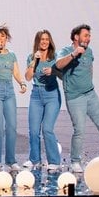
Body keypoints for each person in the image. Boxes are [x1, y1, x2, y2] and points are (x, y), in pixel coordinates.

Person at [54, 23, 99, 173]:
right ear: (76, 37)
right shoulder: (65, 51)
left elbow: (89, 68)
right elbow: (58, 65)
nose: (88, 38)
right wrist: (74, 54)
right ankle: (75, 161)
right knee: (79, 130)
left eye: (89, 36)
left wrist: (88, 84)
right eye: (86, 35)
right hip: (75, 98)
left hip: (90, 94)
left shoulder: (89, 52)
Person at [0, 25, 27, 171]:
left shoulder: (12, 55)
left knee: (12, 127)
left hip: (9, 91)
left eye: (2, 36)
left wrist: (22, 83)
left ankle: (11, 160)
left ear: (7, 38)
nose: (0, 39)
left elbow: (16, 72)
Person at [23, 29, 61, 172]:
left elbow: (62, 74)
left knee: (47, 128)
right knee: (33, 130)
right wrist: (34, 61)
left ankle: (54, 161)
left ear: (50, 41)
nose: (44, 42)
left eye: (46, 39)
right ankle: (34, 159)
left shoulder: (55, 57)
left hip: (52, 95)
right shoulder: (32, 57)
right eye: (42, 39)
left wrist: (53, 71)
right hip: (36, 96)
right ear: (37, 42)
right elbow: (27, 77)